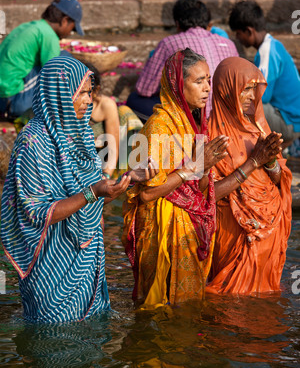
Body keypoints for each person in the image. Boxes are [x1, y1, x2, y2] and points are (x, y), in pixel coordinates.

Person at [0, 56, 157, 323]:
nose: (88, 100)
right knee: (54, 345)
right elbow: (37, 213)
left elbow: (93, 198)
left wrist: (128, 179)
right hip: (50, 263)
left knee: (91, 344)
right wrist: (93, 192)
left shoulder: (82, 133)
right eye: (82, 93)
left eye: (89, 93)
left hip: (86, 257)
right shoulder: (33, 141)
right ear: (60, 93)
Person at [122, 48, 229, 309]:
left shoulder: (194, 123)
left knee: (184, 310)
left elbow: (198, 189)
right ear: (179, 85)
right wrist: (193, 166)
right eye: (198, 81)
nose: (206, 88)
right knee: (158, 308)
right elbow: (147, 193)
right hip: (161, 231)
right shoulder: (159, 126)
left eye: (208, 80)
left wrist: (204, 168)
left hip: (186, 226)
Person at [206, 57, 292, 295]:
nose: (253, 97)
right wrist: (254, 162)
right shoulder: (209, 136)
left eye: (255, 89)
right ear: (226, 90)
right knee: (229, 299)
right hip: (234, 232)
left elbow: (279, 180)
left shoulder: (258, 127)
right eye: (246, 89)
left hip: (268, 231)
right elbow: (207, 196)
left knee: (263, 300)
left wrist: (271, 160)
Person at [126, 0, 239, 122]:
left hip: (192, 118)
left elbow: (144, 89)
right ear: (208, 24)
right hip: (227, 117)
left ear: (178, 24)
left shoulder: (169, 43)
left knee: (134, 99)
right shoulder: (229, 44)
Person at [229, 0, 300, 150]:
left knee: (239, 106)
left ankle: (242, 153)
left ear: (249, 31)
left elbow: (262, 95)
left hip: (289, 121)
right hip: (291, 117)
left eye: (238, 33)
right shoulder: (273, 45)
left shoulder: (267, 51)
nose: (237, 38)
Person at [0, 0, 84, 119]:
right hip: (11, 99)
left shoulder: (32, 26)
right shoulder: (49, 35)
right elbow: (54, 76)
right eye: (71, 29)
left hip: (5, 94)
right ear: (65, 20)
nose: (69, 34)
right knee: (66, 58)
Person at [85, 62, 143, 178]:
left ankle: (124, 174)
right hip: (85, 161)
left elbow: (112, 149)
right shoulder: (66, 108)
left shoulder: (105, 105)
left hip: (107, 156)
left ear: (96, 91)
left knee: (125, 112)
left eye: (85, 92)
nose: (79, 98)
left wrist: (106, 176)